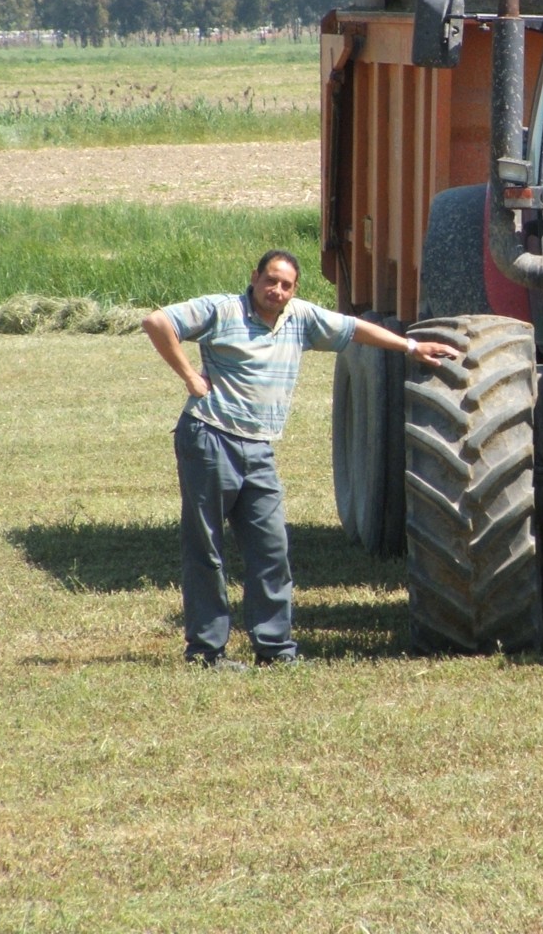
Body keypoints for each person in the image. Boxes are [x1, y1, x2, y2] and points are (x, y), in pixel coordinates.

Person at [142, 249, 457, 669]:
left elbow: (354, 328)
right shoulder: (222, 310)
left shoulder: (300, 318)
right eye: (270, 280)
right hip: (210, 438)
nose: (277, 290)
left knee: (271, 549)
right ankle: (206, 652)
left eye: (286, 284)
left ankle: (274, 650)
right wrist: (189, 376)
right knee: (207, 549)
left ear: (295, 289)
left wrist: (410, 345)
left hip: (259, 448)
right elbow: (157, 322)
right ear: (254, 277)